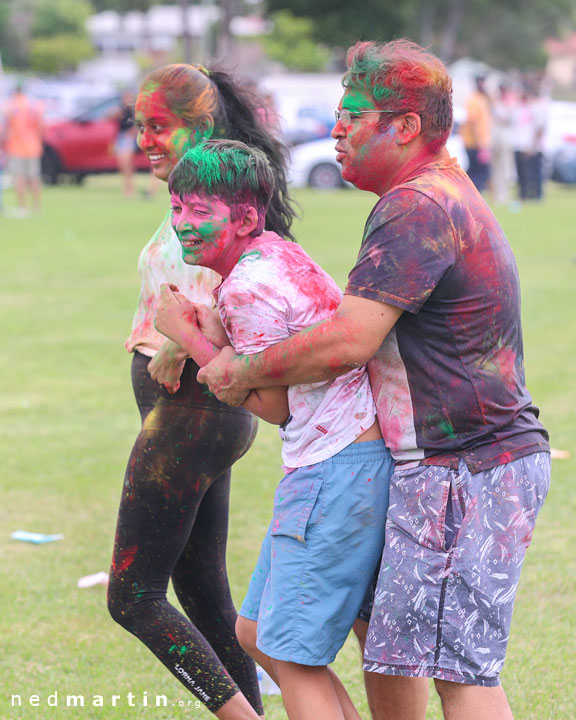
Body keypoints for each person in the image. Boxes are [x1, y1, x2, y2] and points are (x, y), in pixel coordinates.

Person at [196, 40, 551, 720]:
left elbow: (347, 341)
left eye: (352, 114)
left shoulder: (418, 206)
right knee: (406, 650)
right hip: (450, 467)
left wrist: (240, 368)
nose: (336, 129)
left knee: (460, 671)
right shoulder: (428, 196)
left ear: (405, 126)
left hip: (468, 466)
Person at [154, 139, 393, 720]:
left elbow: (274, 405)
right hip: (345, 462)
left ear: (246, 218)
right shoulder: (275, 253)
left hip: (334, 468)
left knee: (289, 655)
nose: (183, 224)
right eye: (178, 207)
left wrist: (186, 336)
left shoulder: (247, 286)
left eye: (200, 211)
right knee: (257, 631)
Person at [107, 64, 296, 719]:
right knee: (205, 593)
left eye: (159, 126)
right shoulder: (195, 193)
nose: (146, 140)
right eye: (139, 126)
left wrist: (178, 339)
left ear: (202, 124)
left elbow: (248, 269)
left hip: (194, 411)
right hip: (192, 413)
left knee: (133, 596)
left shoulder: (216, 197)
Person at [4, 83, 44, 216]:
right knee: (34, 178)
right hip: (33, 145)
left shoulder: (11, 105)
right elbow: (42, 126)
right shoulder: (34, 105)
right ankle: (37, 207)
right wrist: (39, 141)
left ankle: (23, 207)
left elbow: (6, 127)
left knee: (19, 178)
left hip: (17, 146)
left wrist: (4, 143)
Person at [513, 86, 547, 201]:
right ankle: (526, 194)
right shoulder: (523, 108)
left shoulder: (538, 107)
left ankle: (537, 195)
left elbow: (539, 129)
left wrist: (533, 145)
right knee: (524, 172)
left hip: (534, 147)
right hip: (523, 145)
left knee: (534, 172)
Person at [460, 76, 492, 192]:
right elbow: (473, 123)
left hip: (481, 142)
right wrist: (480, 143)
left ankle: (472, 193)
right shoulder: (473, 100)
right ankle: (473, 194)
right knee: (479, 171)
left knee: (478, 170)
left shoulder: (482, 98)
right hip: (474, 143)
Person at [490, 82, 517, 205]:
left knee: (505, 167)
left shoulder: (509, 103)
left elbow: (509, 119)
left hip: (505, 138)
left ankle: (503, 193)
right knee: (496, 167)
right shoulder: (496, 103)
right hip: (496, 138)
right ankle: (497, 193)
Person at [113, 90, 138, 197]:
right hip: (121, 137)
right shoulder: (121, 110)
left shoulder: (134, 111)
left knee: (127, 163)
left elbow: (137, 125)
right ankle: (126, 187)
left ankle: (130, 189)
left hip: (128, 138)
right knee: (122, 165)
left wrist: (132, 134)